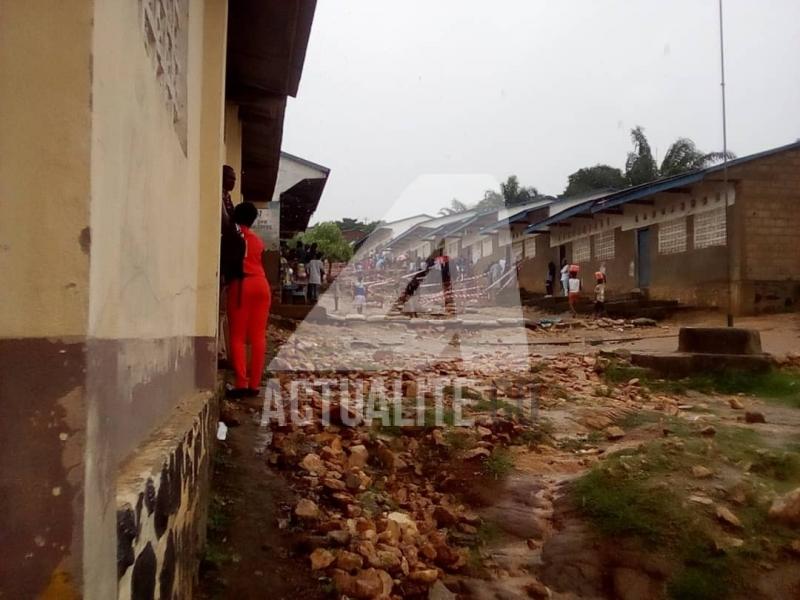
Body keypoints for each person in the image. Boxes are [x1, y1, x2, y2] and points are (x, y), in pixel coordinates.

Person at [226, 202, 272, 398]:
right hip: (262, 285)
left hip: (242, 285)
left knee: (237, 336)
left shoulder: (234, 237)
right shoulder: (258, 240)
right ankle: (254, 385)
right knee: (258, 336)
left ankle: (241, 383)